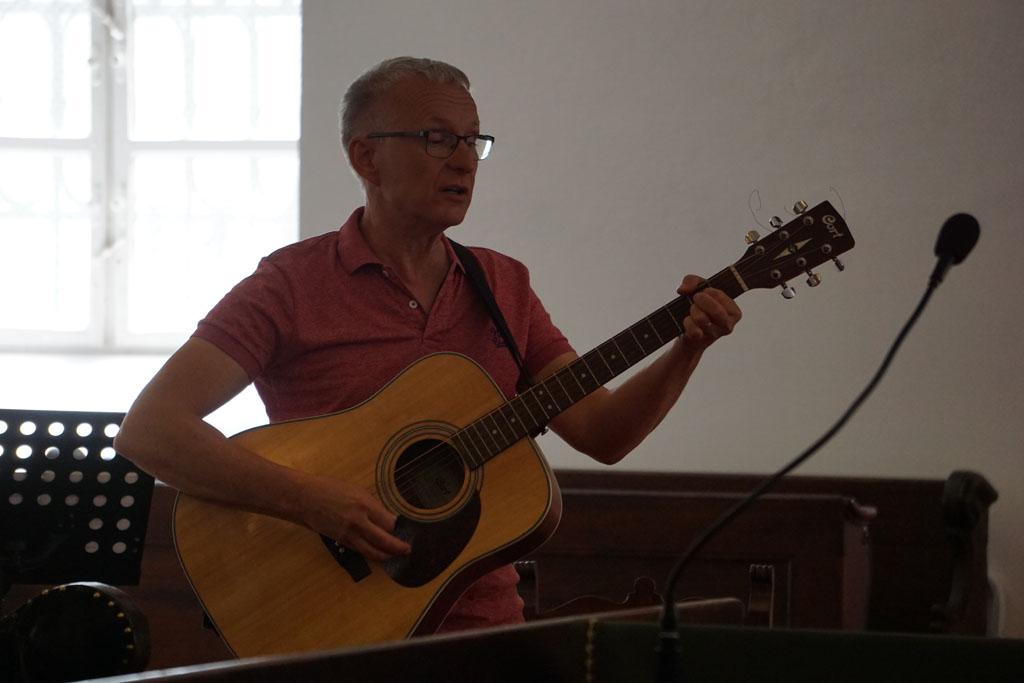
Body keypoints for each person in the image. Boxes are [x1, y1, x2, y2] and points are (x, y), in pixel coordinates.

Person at [114, 56, 742, 635]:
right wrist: (313, 502)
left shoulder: (503, 284)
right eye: (438, 139)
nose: (465, 161)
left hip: (486, 630)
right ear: (366, 157)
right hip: (335, 631)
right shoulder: (290, 284)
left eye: (473, 140)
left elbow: (603, 434)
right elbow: (150, 430)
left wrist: (687, 346)